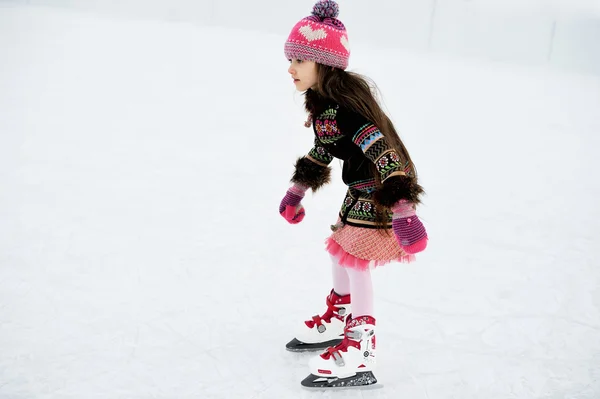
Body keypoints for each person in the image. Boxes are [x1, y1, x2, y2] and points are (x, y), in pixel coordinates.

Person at [279, 0, 429, 389]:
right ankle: (341, 315)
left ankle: (361, 346)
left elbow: (384, 152)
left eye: (298, 59)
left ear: (323, 63)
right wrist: (296, 191)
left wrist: (403, 208)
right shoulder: (325, 109)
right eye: (290, 58)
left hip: (378, 193)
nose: (290, 68)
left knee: (356, 261)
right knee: (341, 253)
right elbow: (322, 151)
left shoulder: (347, 110)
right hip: (358, 193)